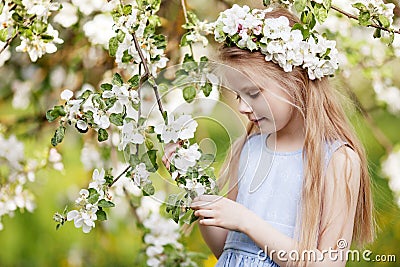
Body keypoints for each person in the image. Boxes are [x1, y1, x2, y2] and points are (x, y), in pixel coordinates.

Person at [163, 5, 375, 267]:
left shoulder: (337, 160)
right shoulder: (248, 149)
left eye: (253, 93)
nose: (241, 106)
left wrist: (246, 221)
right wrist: (195, 190)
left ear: (295, 81)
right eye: (238, 95)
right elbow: (227, 252)